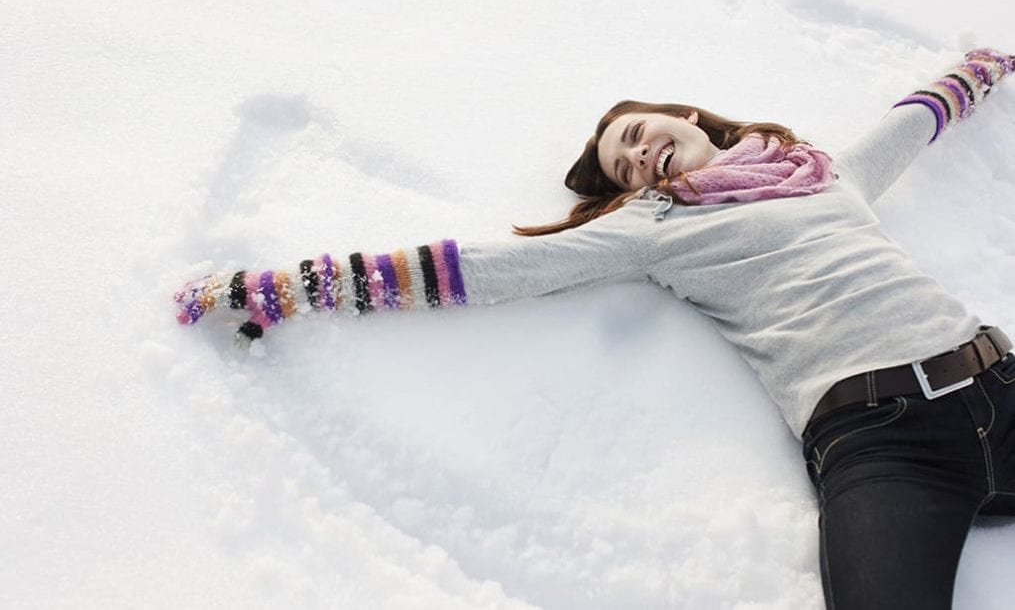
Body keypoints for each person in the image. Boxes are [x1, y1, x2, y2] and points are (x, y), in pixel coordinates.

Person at [176, 48, 1015, 609]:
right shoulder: (655, 223)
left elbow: (909, 126)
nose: (640, 152)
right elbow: (486, 266)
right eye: (623, 162)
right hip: (881, 443)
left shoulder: (820, 177)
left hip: (994, 380)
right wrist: (290, 287)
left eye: (641, 132)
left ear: (686, 116)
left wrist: (975, 70)